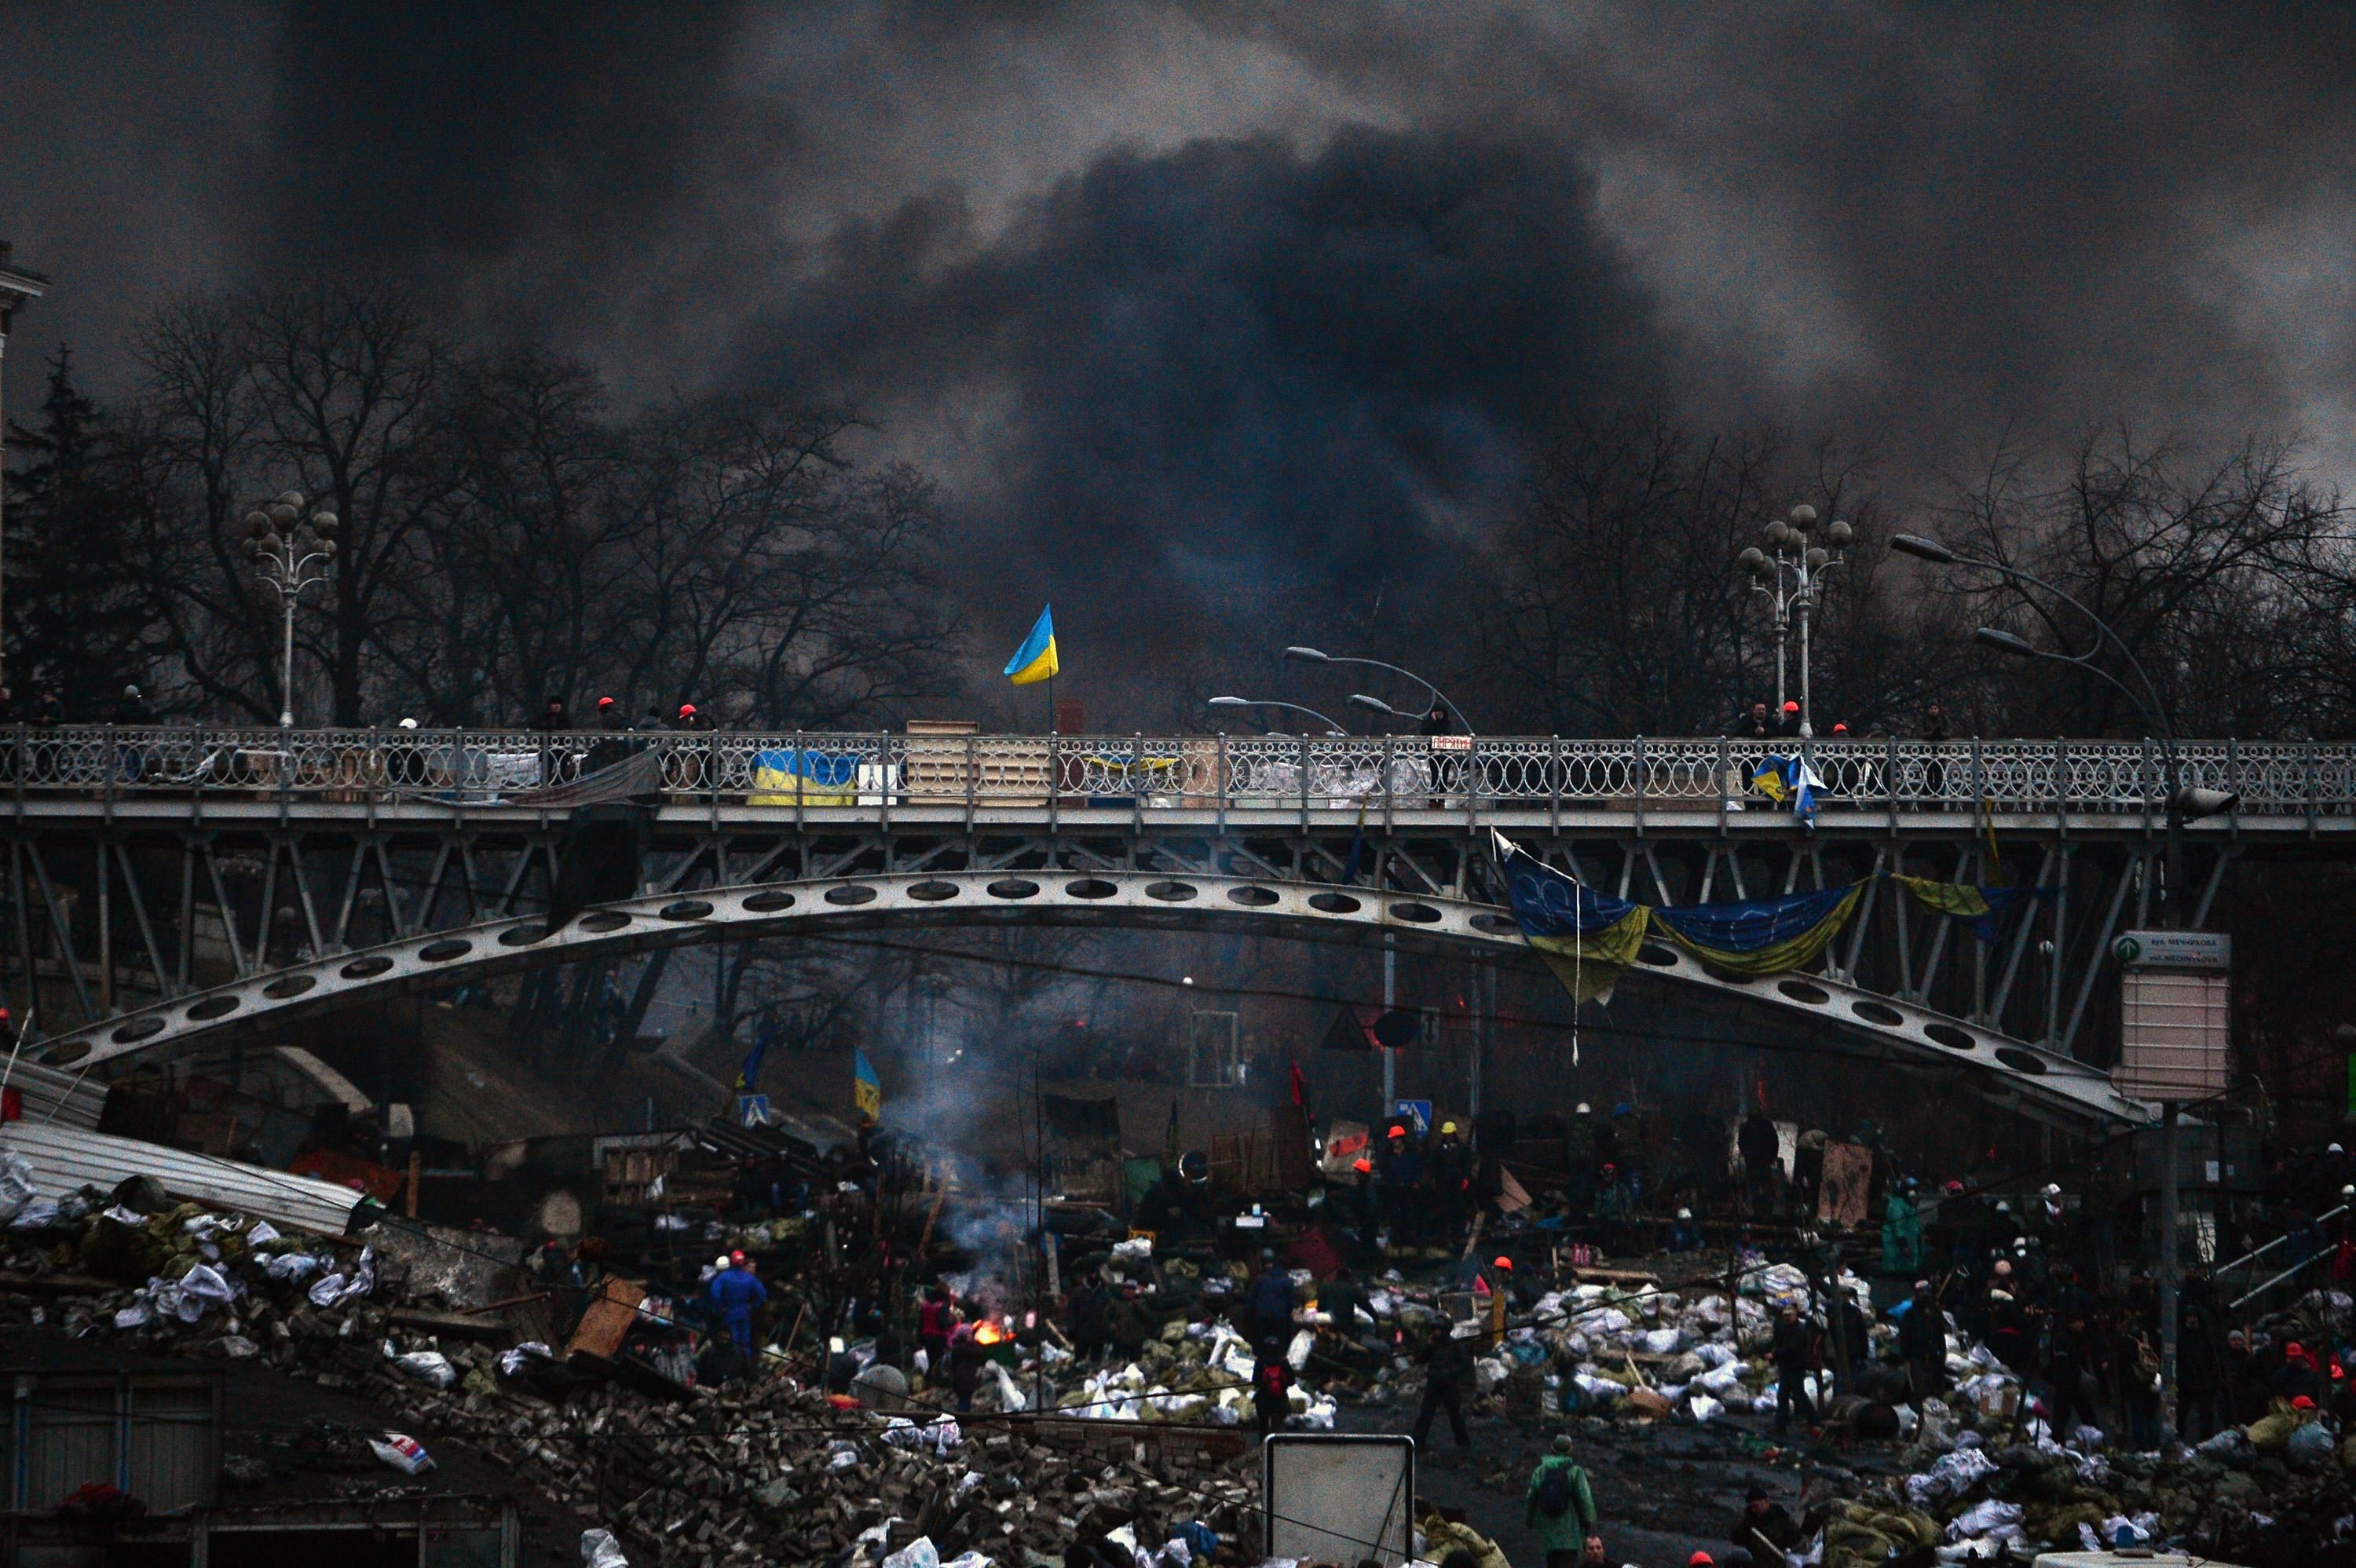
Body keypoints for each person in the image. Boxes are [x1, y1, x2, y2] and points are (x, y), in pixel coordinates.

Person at [1524, 1433, 1601, 1568]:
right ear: (1570, 1451)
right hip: (1570, 1534)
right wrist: (1590, 1524)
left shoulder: (1540, 1471)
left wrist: (1529, 1520)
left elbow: (1531, 1496)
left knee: (1551, 1564)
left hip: (1548, 1532)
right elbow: (1585, 1499)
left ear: (1552, 1449)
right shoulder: (1575, 1472)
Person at [1414, 1322, 1476, 1457]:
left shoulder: (1456, 1345)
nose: (1436, 1332)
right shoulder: (1434, 1345)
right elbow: (1420, 1359)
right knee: (1425, 1415)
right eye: (1434, 1329)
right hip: (1434, 1384)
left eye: (1439, 1329)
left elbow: (1465, 1364)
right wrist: (1428, 1346)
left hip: (1449, 1385)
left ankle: (1463, 1443)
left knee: (1455, 1415)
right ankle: (1417, 1444)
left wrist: (1450, 1373)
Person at [708, 1249, 767, 1365]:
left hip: (730, 1312)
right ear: (742, 1262)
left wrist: (720, 1308)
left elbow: (714, 1294)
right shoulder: (749, 1278)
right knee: (745, 1343)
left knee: (732, 1341)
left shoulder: (724, 1277)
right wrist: (753, 1306)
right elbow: (762, 1294)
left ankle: (733, 1367)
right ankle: (747, 1367)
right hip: (744, 1312)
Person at [2176, 1305, 2221, 1442]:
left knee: (2205, 1416)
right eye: (2190, 1317)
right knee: (2182, 1415)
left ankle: (2204, 1442)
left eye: (2194, 1316)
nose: (2192, 1319)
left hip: (2202, 1381)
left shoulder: (2204, 1336)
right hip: (2188, 1381)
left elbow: (2212, 1358)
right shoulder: (2183, 1336)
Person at [1772, 1303, 1818, 1432]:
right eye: (1785, 1316)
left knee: (1799, 1395)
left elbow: (1791, 1348)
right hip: (1786, 1366)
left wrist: (1775, 1355)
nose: (1787, 1318)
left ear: (1795, 1315)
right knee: (1783, 1395)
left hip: (1796, 1367)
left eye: (1790, 1315)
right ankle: (1780, 1424)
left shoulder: (1800, 1330)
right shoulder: (1785, 1329)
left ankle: (1813, 1421)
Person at [1897, 1280, 1946, 1403]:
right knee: (1920, 1390)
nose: (1924, 1296)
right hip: (1917, 1357)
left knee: (1935, 1387)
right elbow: (1905, 1336)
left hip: (1933, 1356)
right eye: (1921, 1293)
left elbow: (1940, 1334)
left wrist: (1942, 1352)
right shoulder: (1911, 1314)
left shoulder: (1935, 1313)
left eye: (1926, 1292)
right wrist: (1907, 1356)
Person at [1730, 1486, 1800, 1566]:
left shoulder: (1782, 1519)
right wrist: (1747, 1522)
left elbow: (1796, 1542)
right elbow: (1736, 1538)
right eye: (1751, 1507)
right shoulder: (1750, 1521)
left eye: (1756, 1506)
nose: (1754, 1510)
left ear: (1766, 1501)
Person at [1246, 1249, 1296, 1348]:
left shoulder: (1259, 1280)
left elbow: (1250, 1304)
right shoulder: (1287, 1281)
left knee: (1260, 1349)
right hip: (1281, 1321)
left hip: (1263, 1321)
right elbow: (1291, 1304)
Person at [1740, 1109, 1782, 1216]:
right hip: (1764, 1160)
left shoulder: (1745, 1127)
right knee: (1765, 1182)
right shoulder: (1767, 1125)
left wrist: (1746, 1154)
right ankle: (1767, 1209)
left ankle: (1757, 1208)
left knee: (1754, 1184)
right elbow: (1775, 1141)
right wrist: (1772, 1156)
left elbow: (1741, 1143)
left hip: (1752, 1161)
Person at [1882, 1181, 1922, 1274]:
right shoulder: (1896, 1205)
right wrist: (1903, 1244)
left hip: (1911, 1245)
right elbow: (1897, 1226)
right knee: (1897, 1274)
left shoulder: (1909, 1205)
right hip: (1897, 1248)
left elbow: (1914, 1225)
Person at [918, 1285, 957, 1378]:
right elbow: (942, 1324)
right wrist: (954, 1320)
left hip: (927, 1337)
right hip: (939, 1338)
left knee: (931, 1362)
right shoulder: (942, 1306)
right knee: (939, 1363)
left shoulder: (925, 1305)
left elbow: (920, 1322)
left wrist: (920, 1338)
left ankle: (928, 1381)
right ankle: (936, 1382)